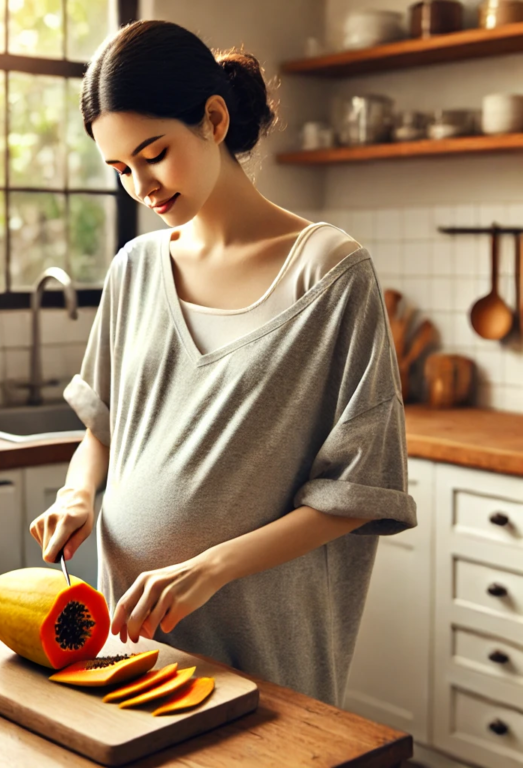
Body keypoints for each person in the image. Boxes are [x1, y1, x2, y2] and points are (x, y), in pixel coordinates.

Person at [29, 19, 417, 708]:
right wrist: (76, 494)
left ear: (213, 118)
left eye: (154, 154)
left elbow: (358, 491)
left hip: (264, 644)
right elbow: (104, 427)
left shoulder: (328, 271)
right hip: (133, 642)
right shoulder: (135, 268)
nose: (141, 186)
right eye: (120, 170)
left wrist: (209, 567)